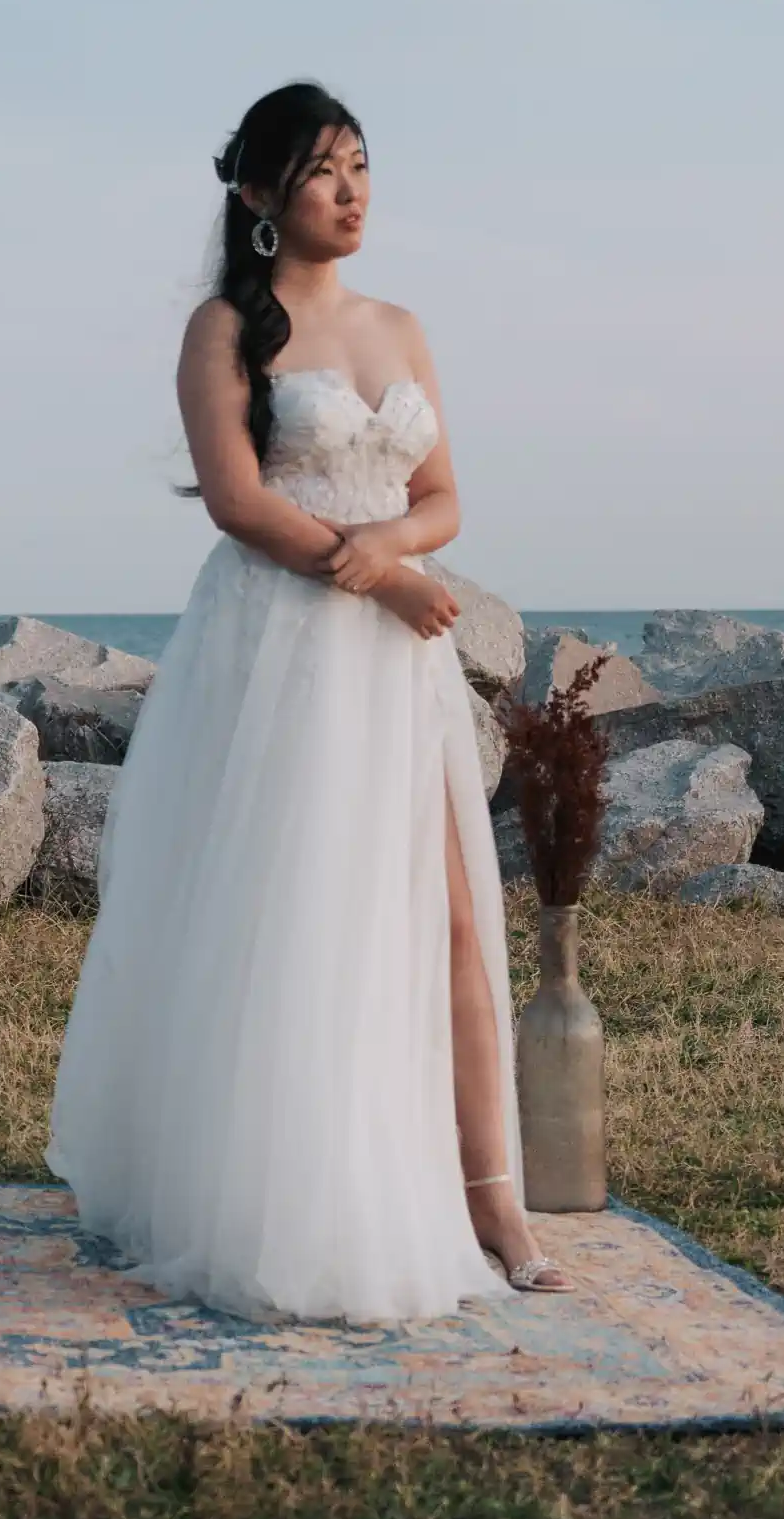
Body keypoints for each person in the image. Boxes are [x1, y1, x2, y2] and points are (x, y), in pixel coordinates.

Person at [47, 81, 565, 1323]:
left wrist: (399, 556)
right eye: (324, 171)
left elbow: (444, 498)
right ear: (257, 195)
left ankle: (489, 1191)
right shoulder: (224, 330)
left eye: (362, 165)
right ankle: (288, 1191)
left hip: (398, 663)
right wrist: (377, 577)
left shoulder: (399, 324)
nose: (352, 190)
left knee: (444, 917)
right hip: (284, 647)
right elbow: (237, 501)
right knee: (298, 915)